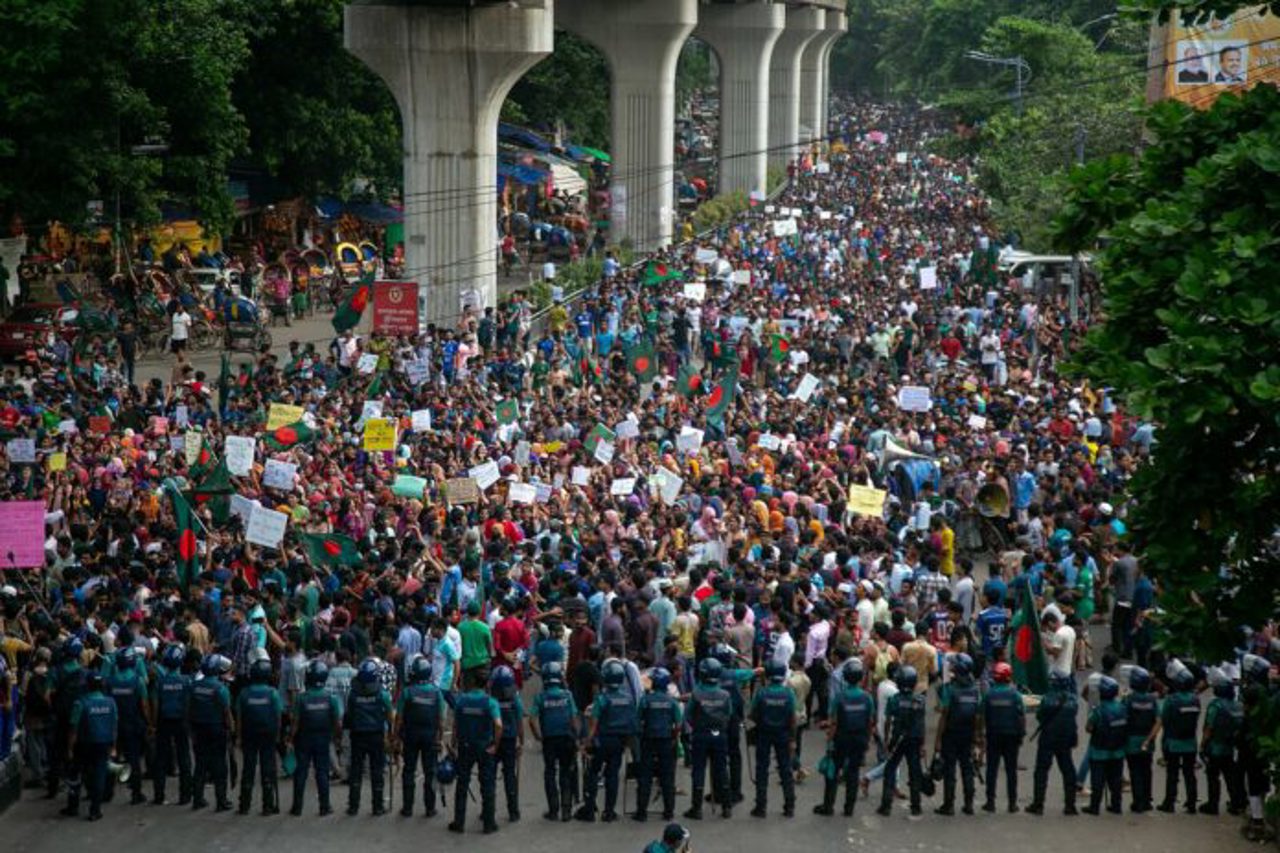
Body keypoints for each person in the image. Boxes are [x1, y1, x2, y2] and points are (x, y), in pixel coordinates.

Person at [577, 659, 636, 822]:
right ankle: (609, 812)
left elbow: (594, 724)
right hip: (619, 741)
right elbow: (633, 722)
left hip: (601, 741)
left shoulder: (602, 699)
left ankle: (589, 810)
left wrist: (586, 743)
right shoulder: (628, 698)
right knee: (613, 775)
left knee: (592, 773)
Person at [815, 658, 873, 817]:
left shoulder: (839, 698)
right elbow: (869, 722)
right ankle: (849, 808)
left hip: (841, 739)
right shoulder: (867, 698)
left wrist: (829, 741)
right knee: (853, 773)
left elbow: (834, 722)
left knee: (833, 772)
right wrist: (867, 741)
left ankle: (828, 806)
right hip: (859, 739)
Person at [449, 669, 502, 834]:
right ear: (487, 684)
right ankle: (488, 823)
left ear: (472, 683)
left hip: (465, 746)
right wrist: (495, 745)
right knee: (487, 784)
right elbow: (499, 725)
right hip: (484, 746)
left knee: (462, 784)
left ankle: (459, 822)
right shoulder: (491, 702)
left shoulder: (462, 700)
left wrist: (454, 744)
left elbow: (455, 724)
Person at [289, 660, 342, 817]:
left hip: (303, 739)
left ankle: (297, 807)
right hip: (323, 739)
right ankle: (324, 807)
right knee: (322, 772)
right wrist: (336, 738)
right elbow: (337, 722)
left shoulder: (301, 698)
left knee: (301, 772)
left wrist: (290, 739)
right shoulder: (331, 699)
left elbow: (295, 723)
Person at [529, 660, 579, 822]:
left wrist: (538, 736)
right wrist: (577, 737)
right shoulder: (567, 695)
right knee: (566, 773)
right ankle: (566, 810)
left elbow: (532, 719)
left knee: (550, 773)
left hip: (549, 740)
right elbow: (573, 719)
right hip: (567, 738)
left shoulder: (540, 697)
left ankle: (553, 810)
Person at [63, 670, 116, 821]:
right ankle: (95, 810)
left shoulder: (80, 703)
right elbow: (114, 725)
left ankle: (73, 806)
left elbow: (73, 729)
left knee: (75, 774)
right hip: (103, 744)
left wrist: (70, 749)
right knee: (99, 775)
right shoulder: (110, 703)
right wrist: (113, 746)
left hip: (83, 745)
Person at [396, 656, 445, 817]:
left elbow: (399, 717)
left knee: (408, 770)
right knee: (430, 772)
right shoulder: (436, 692)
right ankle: (430, 808)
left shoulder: (407, 692)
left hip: (410, 736)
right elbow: (441, 718)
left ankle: (407, 808)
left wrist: (395, 736)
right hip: (430, 736)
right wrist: (440, 738)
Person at [684, 658, 732, 820]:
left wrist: (698, 725)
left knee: (698, 770)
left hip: (700, 735)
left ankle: (696, 808)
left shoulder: (696, 694)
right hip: (719, 734)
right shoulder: (725, 694)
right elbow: (728, 714)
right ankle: (726, 807)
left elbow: (688, 716)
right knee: (722, 769)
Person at [932, 652, 980, 815]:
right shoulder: (975, 690)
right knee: (967, 768)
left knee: (950, 770)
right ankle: (969, 804)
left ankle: (949, 805)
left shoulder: (950, 690)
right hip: (968, 734)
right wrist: (977, 737)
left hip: (951, 734)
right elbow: (977, 716)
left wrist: (937, 740)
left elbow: (944, 715)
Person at [749, 658, 797, 818]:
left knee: (762, 769)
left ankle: (760, 806)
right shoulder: (788, 693)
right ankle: (789, 806)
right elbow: (793, 718)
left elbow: (753, 714)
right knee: (785, 769)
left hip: (764, 734)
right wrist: (792, 738)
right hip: (783, 734)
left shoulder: (761, 693)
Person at [345, 657, 394, 815]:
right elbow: (389, 715)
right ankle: (378, 806)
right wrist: (391, 734)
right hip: (376, 736)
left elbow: (349, 715)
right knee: (377, 771)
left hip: (357, 735)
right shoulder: (382, 694)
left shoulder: (352, 694)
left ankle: (353, 806)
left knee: (356, 771)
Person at [876, 665, 926, 817]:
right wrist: (923, 744)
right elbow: (921, 723)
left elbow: (888, 722)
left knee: (890, 769)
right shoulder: (920, 701)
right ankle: (916, 806)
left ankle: (886, 805)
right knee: (914, 771)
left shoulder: (894, 700)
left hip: (897, 739)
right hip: (915, 739)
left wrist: (886, 740)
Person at [634, 666, 681, 822]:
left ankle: (641, 812)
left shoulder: (646, 700)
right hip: (666, 741)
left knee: (645, 776)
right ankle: (669, 812)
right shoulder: (672, 701)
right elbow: (678, 724)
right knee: (667, 776)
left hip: (648, 741)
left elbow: (638, 720)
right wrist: (673, 737)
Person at [1150, 662, 1200, 813]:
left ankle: (1169, 802)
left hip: (1173, 742)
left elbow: (1163, 720)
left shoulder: (1172, 700)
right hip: (1190, 742)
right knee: (1189, 773)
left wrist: (1154, 738)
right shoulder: (1195, 699)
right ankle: (1191, 803)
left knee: (1172, 774)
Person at [236, 657, 283, 815]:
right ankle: (268, 806)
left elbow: (239, 717)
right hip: (268, 735)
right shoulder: (273, 694)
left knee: (248, 768)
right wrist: (277, 736)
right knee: (268, 769)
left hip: (249, 734)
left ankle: (244, 804)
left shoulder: (244, 693)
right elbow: (278, 717)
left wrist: (238, 737)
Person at [1028, 673, 1079, 816]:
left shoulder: (1047, 699)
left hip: (1048, 737)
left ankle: (1038, 804)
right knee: (1068, 770)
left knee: (1041, 770)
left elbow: (1040, 716)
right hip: (1065, 739)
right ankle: (1070, 805)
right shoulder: (1072, 700)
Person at [189, 654, 234, 811]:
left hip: (198, 729)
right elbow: (227, 713)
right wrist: (232, 731)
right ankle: (221, 801)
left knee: (200, 764)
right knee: (219, 766)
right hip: (216, 730)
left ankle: (197, 799)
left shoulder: (194, 685)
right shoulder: (220, 688)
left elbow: (189, 707)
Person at [105, 646, 149, 805]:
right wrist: (149, 723)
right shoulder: (138, 681)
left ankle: (106, 792)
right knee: (134, 759)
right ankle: (136, 793)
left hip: (115, 726)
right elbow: (144, 706)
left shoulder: (110, 681)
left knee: (112, 758)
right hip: (133, 725)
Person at [979, 661, 1025, 813]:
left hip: (993, 736)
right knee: (1011, 770)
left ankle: (990, 802)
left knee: (992, 769)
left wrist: (980, 735)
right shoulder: (1015, 695)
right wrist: (1021, 734)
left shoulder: (988, 695)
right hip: (1012, 736)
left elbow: (981, 716)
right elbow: (1021, 716)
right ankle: (1012, 803)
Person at [151, 644, 193, 805]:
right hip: (181, 722)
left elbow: (155, 704)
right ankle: (185, 796)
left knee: (160, 759)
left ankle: (159, 795)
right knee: (184, 758)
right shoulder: (186, 681)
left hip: (163, 721)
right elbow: (189, 704)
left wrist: (154, 725)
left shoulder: (160, 682)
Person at [1199, 677, 1246, 816]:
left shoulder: (1216, 705)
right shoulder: (1238, 705)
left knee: (1213, 776)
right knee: (1230, 776)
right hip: (1230, 747)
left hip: (1215, 746)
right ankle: (1236, 803)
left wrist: (1202, 745)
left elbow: (1209, 727)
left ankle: (1213, 804)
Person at [1082, 675, 1125, 815]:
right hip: (1117, 751)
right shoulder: (1122, 708)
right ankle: (1116, 805)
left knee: (1097, 780)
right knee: (1116, 780)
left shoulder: (1098, 711)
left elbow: (1088, 728)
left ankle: (1094, 806)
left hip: (1099, 751)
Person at [490, 664, 524, 822]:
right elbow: (520, 723)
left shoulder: (491, 701)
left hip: (493, 741)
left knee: (489, 777)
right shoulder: (515, 700)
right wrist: (521, 742)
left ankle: (488, 810)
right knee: (510, 775)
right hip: (510, 741)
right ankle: (513, 811)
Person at [1122, 666, 1158, 813]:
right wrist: (1151, 737)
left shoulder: (1128, 700)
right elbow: (1158, 719)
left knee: (1135, 771)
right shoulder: (1152, 700)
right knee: (1146, 770)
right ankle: (1147, 800)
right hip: (1148, 740)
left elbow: (1123, 717)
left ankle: (1138, 802)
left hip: (1131, 740)